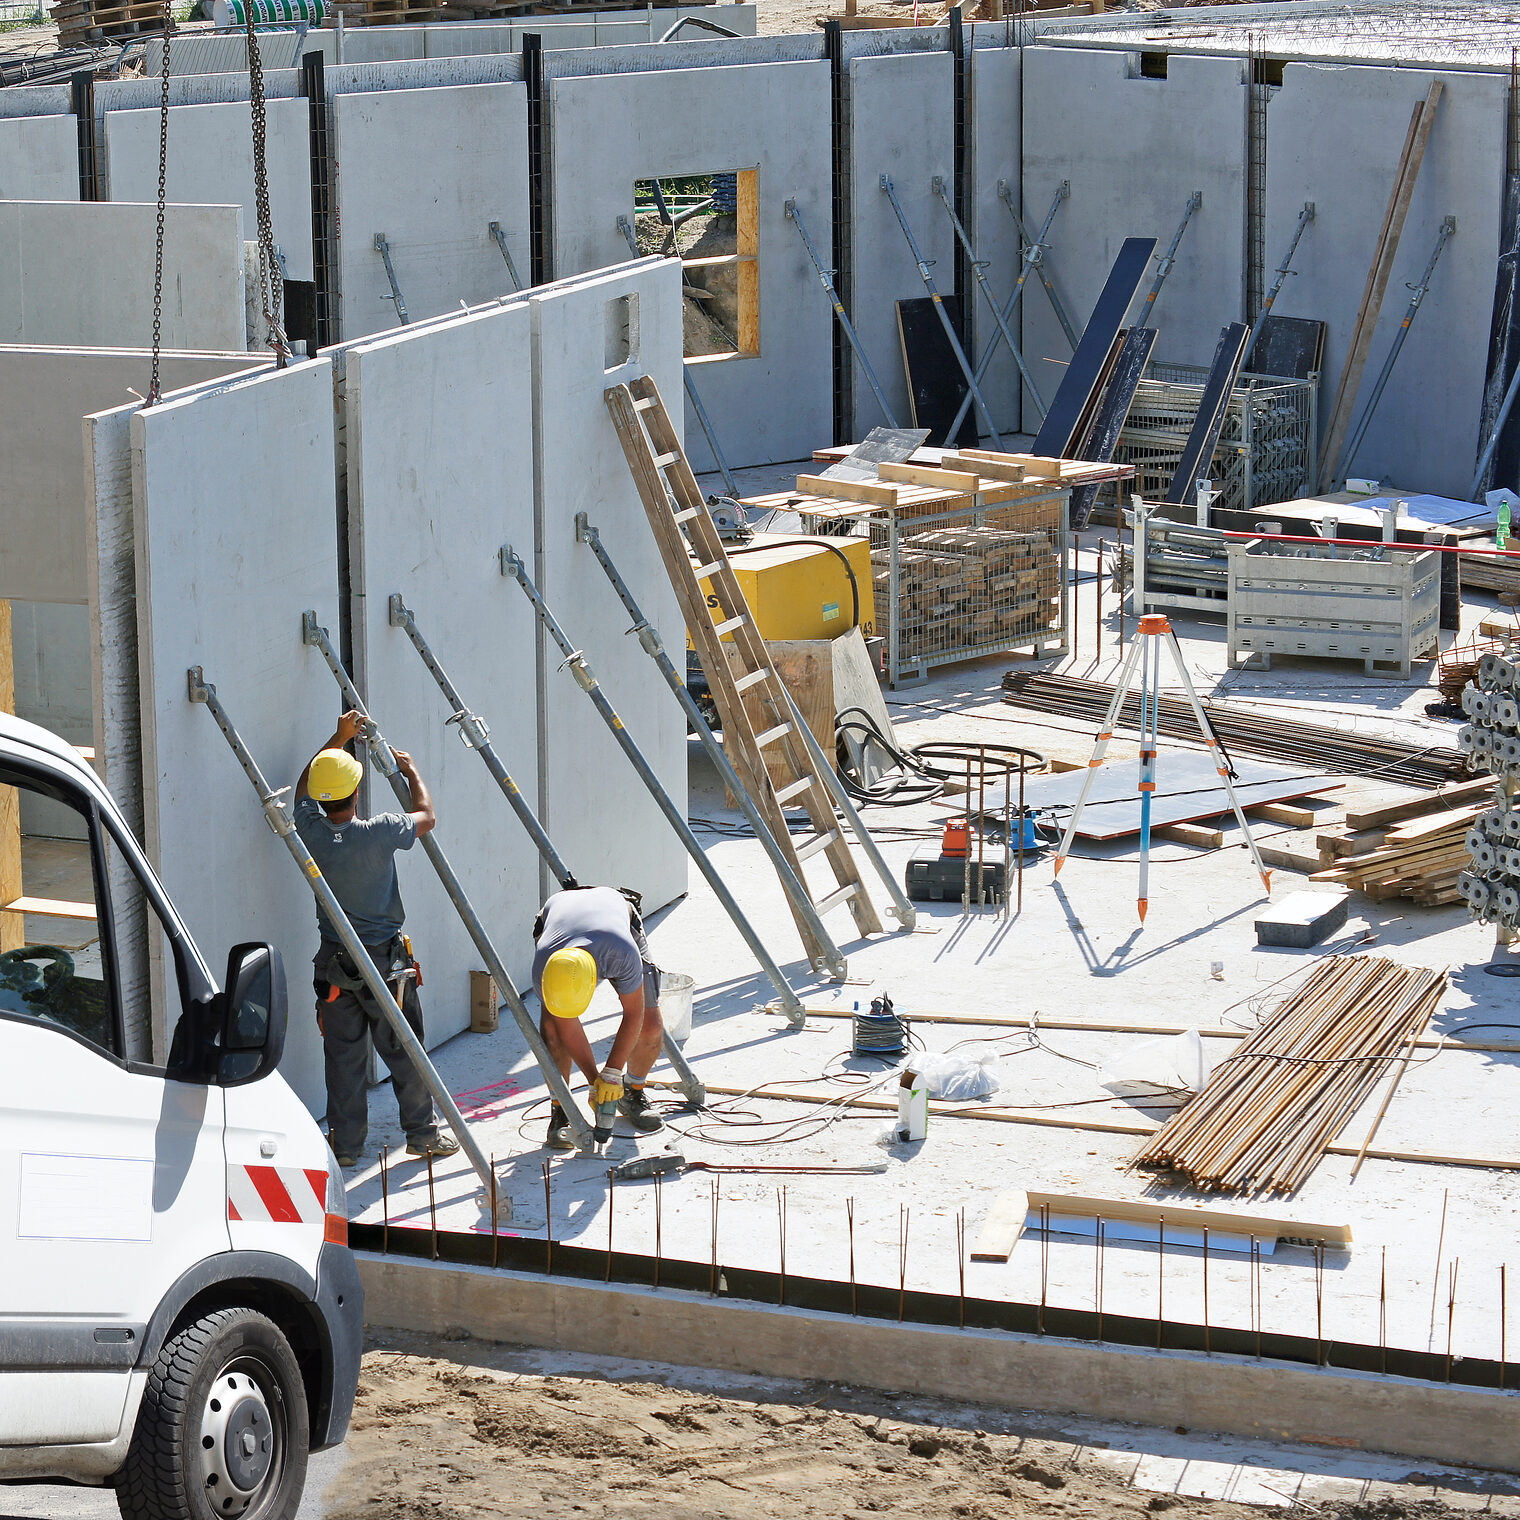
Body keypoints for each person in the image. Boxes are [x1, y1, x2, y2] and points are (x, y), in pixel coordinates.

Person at [294, 711, 459, 1169]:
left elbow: (306, 787)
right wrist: (412, 774)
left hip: (334, 963)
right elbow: (426, 816)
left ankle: (346, 1147)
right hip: (385, 963)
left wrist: (337, 739)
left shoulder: (307, 830)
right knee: (405, 1049)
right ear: (357, 793)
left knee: (343, 1057)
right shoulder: (380, 831)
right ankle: (423, 1136)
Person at [532, 885, 666, 1150]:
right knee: (554, 1033)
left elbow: (633, 1013)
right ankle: (562, 1109)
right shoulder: (544, 969)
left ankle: (632, 1092)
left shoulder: (621, 955)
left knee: (650, 1027)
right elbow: (567, 1028)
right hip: (559, 922)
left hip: (618, 921)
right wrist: (596, 1082)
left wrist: (613, 1075)